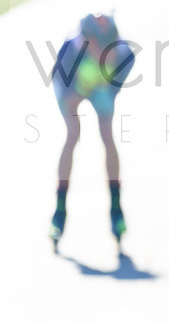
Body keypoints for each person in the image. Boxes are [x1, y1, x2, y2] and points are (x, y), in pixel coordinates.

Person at [49, 14, 135, 250]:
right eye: (99, 47)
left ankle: (116, 209)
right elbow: (62, 88)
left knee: (107, 135)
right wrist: (75, 96)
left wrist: (100, 89)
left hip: (100, 88)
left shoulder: (125, 55)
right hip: (71, 87)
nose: (104, 53)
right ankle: (59, 209)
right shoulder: (70, 52)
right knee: (73, 134)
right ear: (86, 42)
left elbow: (112, 91)